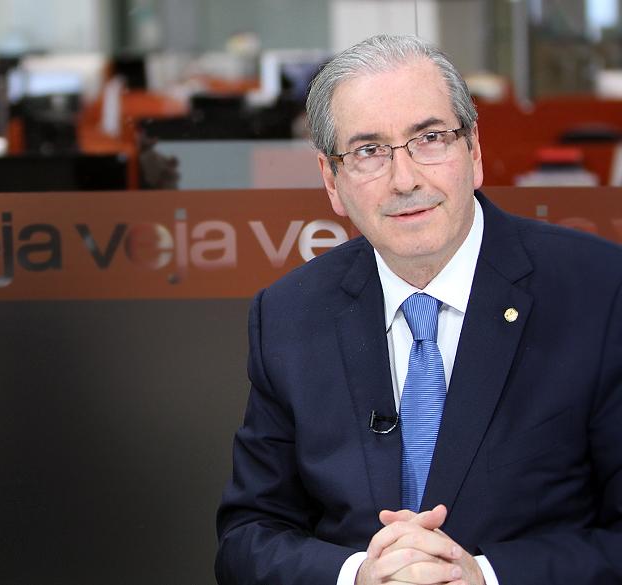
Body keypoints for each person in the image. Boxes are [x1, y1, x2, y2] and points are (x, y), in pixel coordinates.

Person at [215, 34, 621, 585]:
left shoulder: (601, 292)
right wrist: (359, 575)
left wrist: (483, 577)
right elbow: (247, 538)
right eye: (368, 151)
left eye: (430, 139)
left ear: (473, 152)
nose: (404, 180)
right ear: (332, 181)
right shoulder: (288, 315)